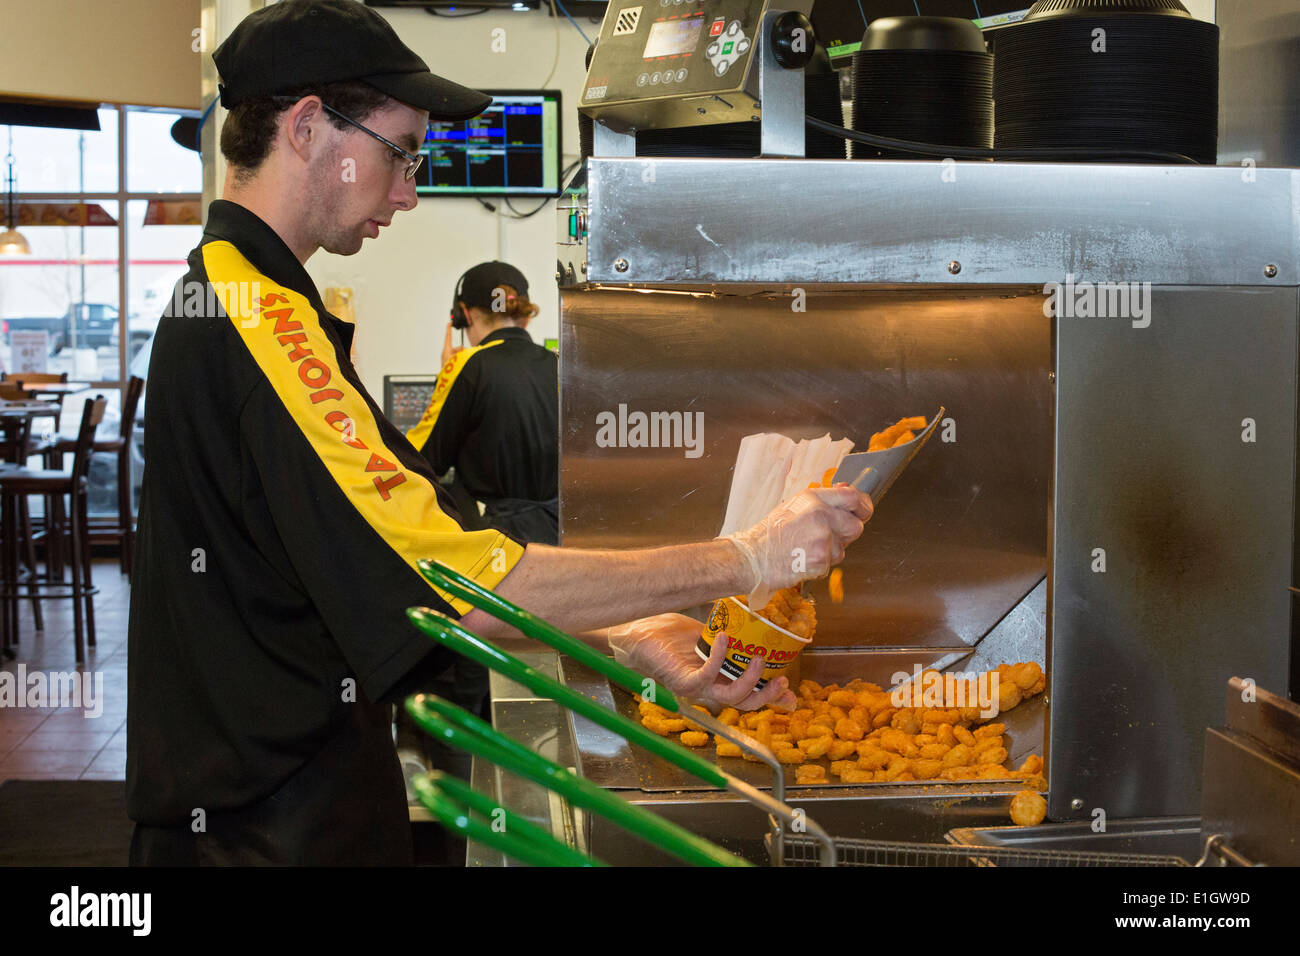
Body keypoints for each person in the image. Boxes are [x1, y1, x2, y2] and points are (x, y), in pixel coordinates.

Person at [126, 0, 872, 866]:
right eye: (401, 152)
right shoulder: (261, 319)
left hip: (281, 797)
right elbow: (457, 579)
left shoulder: (255, 298)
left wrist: (623, 636)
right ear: (306, 128)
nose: (408, 191)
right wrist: (747, 558)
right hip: (263, 828)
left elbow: (407, 558)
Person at [408, 261, 558, 546]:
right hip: (560, 537)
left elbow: (420, 461)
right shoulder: (559, 363)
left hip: (495, 542)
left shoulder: (466, 365)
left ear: (464, 314)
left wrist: (448, 373)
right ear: (524, 317)